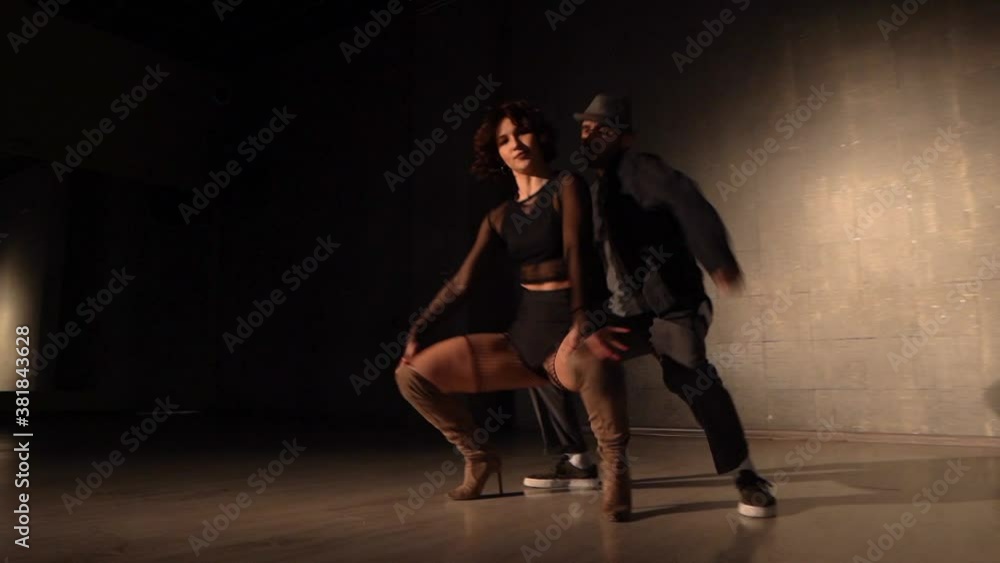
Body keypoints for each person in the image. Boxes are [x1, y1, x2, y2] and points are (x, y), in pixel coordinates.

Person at [522, 94, 777, 518]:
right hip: (624, 314)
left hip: (671, 308)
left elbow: (688, 201)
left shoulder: (644, 170)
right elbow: (586, 260)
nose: (589, 136)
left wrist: (718, 260)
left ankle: (746, 475)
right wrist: (583, 317)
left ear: (625, 137)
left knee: (690, 377)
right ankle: (578, 460)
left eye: (601, 129)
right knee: (549, 359)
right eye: (585, 129)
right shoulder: (591, 193)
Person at [394, 100, 633, 521]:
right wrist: (420, 328)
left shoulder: (566, 185)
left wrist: (582, 318)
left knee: (596, 361)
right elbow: (462, 282)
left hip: (568, 331)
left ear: (539, 137)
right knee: (411, 375)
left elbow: (576, 249)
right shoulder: (499, 216)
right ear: (497, 154)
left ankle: (614, 469)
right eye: (504, 140)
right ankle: (478, 457)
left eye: (521, 132)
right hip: (524, 339)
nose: (515, 143)